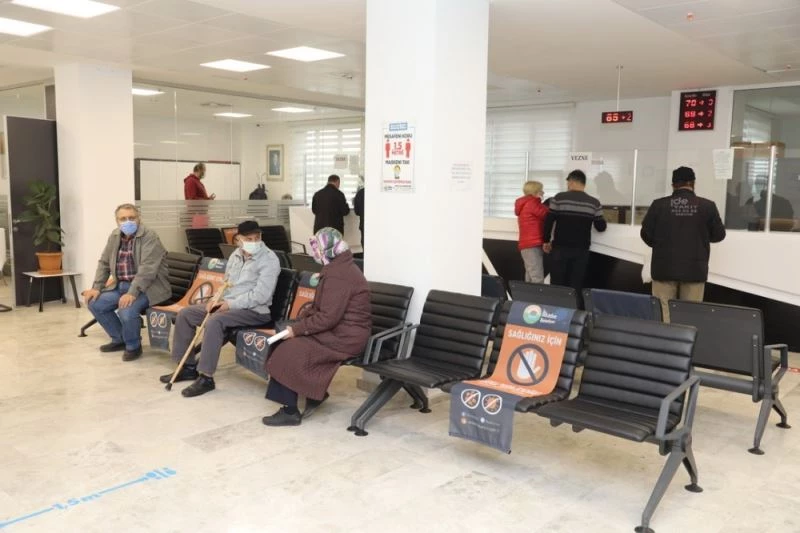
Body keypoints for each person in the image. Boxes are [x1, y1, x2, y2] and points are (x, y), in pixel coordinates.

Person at [262, 228, 371, 427]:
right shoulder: (339, 267)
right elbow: (323, 308)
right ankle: (313, 393)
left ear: (330, 249)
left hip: (345, 338)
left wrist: (297, 329)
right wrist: (300, 322)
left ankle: (290, 412)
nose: (314, 252)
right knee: (285, 343)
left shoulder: (339, 275)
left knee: (288, 350)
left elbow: (328, 318)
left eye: (317, 248)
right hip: (340, 332)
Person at [160, 220, 280, 397]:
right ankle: (187, 367)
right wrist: (216, 299)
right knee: (185, 314)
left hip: (255, 311)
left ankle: (206, 377)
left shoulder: (269, 259)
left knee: (215, 321)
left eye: (257, 237)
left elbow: (261, 296)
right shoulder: (235, 255)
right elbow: (226, 284)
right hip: (229, 305)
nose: (254, 242)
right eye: (249, 239)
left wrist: (229, 304)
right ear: (238, 239)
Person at [83, 204, 170, 362]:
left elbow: (148, 269)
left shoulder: (150, 236)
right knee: (95, 303)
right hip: (121, 285)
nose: (128, 221)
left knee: (126, 310)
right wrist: (96, 287)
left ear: (139, 218)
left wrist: (132, 293)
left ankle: (133, 346)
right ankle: (120, 339)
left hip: (149, 288)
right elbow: (104, 263)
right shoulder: (115, 235)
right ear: (117, 221)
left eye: (132, 218)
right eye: (123, 219)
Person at [641, 166, 726, 321]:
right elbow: (719, 235)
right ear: (693, 183)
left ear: (673, 185)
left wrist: (661, 245)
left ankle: (665, 337)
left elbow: (645, 234)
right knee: (690, 317)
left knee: (663, 315)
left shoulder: (659, 205)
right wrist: (701, 239)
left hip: (663, 268)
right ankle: (685, 337)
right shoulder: (707, 206)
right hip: (694, 269)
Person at [543, 170, 606, 297]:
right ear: (584, 184)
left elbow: (548, 221)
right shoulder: (594, 202)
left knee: (557, 283)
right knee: (575, 284)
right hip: (581, 250)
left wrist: (546, 240)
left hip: (560, 248)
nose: (567, 185)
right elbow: (601, 227)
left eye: (568, 183)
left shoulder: (559, 198)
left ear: (571, 182)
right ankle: (573, 309)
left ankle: (555, 308)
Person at [515, 180, 548, 283]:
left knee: (530, 275)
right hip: (533, 244)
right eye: (541, 190)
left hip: (526, 244)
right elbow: (547, 215)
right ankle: (537, 294)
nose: (543, 193)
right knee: (537, 277)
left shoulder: (524, 203)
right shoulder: (533, 203)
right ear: (536, 192)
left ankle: (527, 294)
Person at [353, 183, 365, 248]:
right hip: (378, 224)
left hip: (364, 223)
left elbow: (357, 212)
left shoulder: (360, 193)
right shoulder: (379, 193)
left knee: (364, 241)